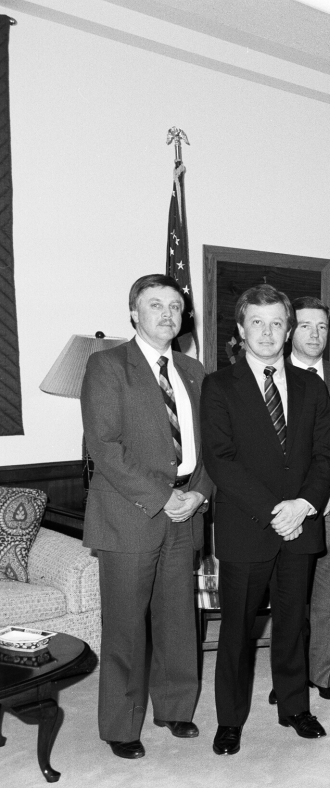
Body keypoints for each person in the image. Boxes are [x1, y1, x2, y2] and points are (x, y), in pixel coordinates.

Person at [201, 284, 330, 756]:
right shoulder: (219, 386)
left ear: (289, 329)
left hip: (300, 525)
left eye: (276, 322)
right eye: (256, 322)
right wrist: (274, 511)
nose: (267, 332)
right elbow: (221, 461)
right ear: (241, 329)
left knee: (292, 625)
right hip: (248, 529)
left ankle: (295, 707)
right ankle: (230, 720)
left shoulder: (311, 385)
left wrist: (302, 506)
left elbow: (326, 456)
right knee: (237, 631)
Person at [81, 273, 213, 759]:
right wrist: (163, 497)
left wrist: (198, 494)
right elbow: (105, 446)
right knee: (126, 626)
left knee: (179, 619)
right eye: (154, 304)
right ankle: (121, 725)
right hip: (130, 514)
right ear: (134, 313)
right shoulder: (107, 366)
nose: (167, 314)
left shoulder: (196, 371)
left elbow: (216, 448)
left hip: (187, 510)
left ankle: (176, 708)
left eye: (175, 306)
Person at [285, 297, 330, 700]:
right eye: (307, 326)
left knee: (327, 597)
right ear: (291, 330)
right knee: (290, 598)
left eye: (322, 327)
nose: (315, 334)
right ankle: (289, 677)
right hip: (284, 509)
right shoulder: (272, 375)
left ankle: (322, 677)